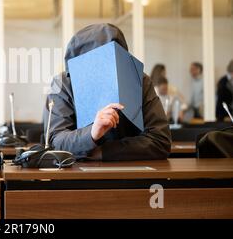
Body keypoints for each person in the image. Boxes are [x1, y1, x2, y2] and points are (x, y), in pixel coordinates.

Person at [43, 23, 171, 161]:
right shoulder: (63, 84)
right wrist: (92, 133)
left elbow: (160, 140)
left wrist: (104, 152)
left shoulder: (138, 79)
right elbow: (55, 142)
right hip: (77, 174)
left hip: (131, 173)